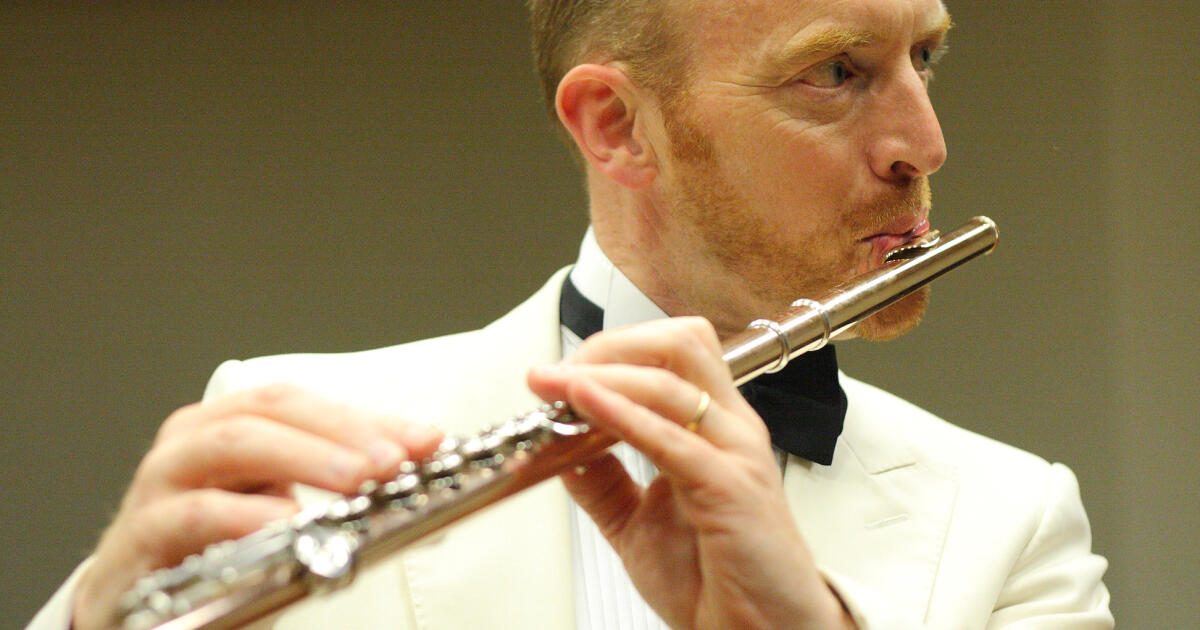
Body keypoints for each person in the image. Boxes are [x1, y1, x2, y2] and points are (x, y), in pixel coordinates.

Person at [30, 0, 1113, 628]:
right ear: (616, 126)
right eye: (837, 71)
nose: (924, 145)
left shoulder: (1013, 521)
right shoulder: (288, 431)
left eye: (924, 58)